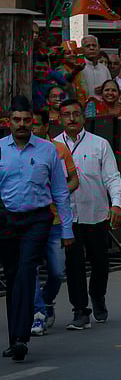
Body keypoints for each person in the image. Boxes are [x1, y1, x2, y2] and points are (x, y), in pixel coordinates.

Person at [0, 96, 74, 362]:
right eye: (17, 120)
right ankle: (15, 337)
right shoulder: (0, 149)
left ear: (35, 123)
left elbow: (60, 191)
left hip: (38, 219)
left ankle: (21, 337)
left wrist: (67, 229)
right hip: (7, 219)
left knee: (25, 270)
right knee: (12, 276)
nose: (22, 124)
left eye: (27, 120)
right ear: (8, 122)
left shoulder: (47, 150)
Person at [53, 99, 121, 330]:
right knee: (74, 265)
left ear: (84, 117)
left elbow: (112, 176)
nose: (72, 119)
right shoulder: (52, 147)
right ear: (60, 119)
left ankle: (97, 296)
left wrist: (117, 204)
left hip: (96, 212)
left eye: (76, 114)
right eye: (67, 115)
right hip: (67, 216)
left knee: (100, 262)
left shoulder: (99, 144)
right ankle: (80, 310)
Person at [30, 108, 79, 335]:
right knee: (28, 268)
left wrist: (56, 192)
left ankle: (46, 301)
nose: (31, 129)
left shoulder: (58, 150)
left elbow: (73, 181)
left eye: (35, 125)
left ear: (45, 127)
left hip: (55, 221)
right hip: (28, 221)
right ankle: (38, 311)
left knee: (57, 272)